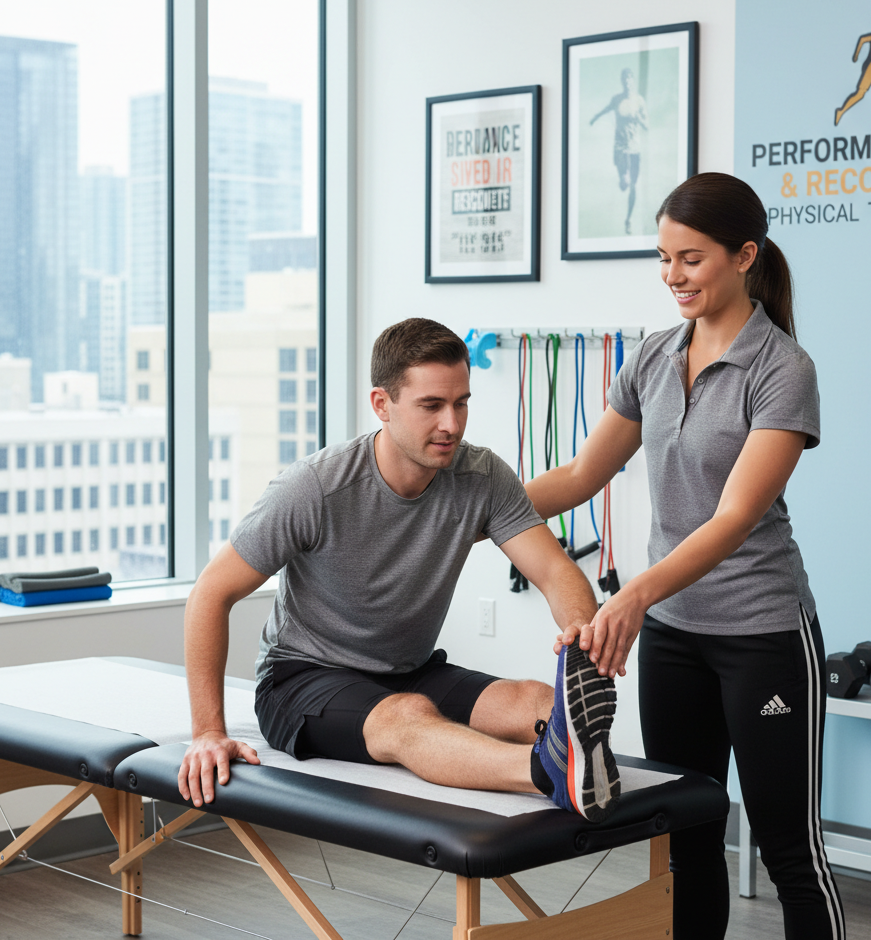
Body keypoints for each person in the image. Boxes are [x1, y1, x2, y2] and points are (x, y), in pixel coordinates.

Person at [525, 174, 846, 940]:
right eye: (663, 258)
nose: (672, 276)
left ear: (744, 256)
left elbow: (735, 517)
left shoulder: (782, 370)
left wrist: (631, 595)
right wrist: (470, 511)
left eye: (691, 259)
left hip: (762, 636)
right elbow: (579, 476)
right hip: (673, 639)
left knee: (788, 849)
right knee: (684, 843)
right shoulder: (653, 356)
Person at [178, 317, 620, 824]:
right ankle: (547, 771)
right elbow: (210, 594)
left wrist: (582, 633)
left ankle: (578, 758)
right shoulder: (315, 489)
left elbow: (554, 571)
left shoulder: (481, 477)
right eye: (431, 406)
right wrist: (208, 731)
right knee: (408, 717)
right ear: (382, 405)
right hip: (304, 679)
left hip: (408, 671)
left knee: (535, 701)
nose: (451, 424)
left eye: (461, 403)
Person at [590, 67, 649, 234]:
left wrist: (638, 118)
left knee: (633, 187)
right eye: (624, 79)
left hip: (635, 148)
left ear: (633, 81)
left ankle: (628, 219)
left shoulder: (639, 101)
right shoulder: (616, 99)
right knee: (625, 182)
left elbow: (647, 125)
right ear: (622, 81)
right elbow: (606, 109)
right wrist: (595, 118)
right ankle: (622, 177)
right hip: (620, 147)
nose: (627, 82)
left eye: (630, 79)